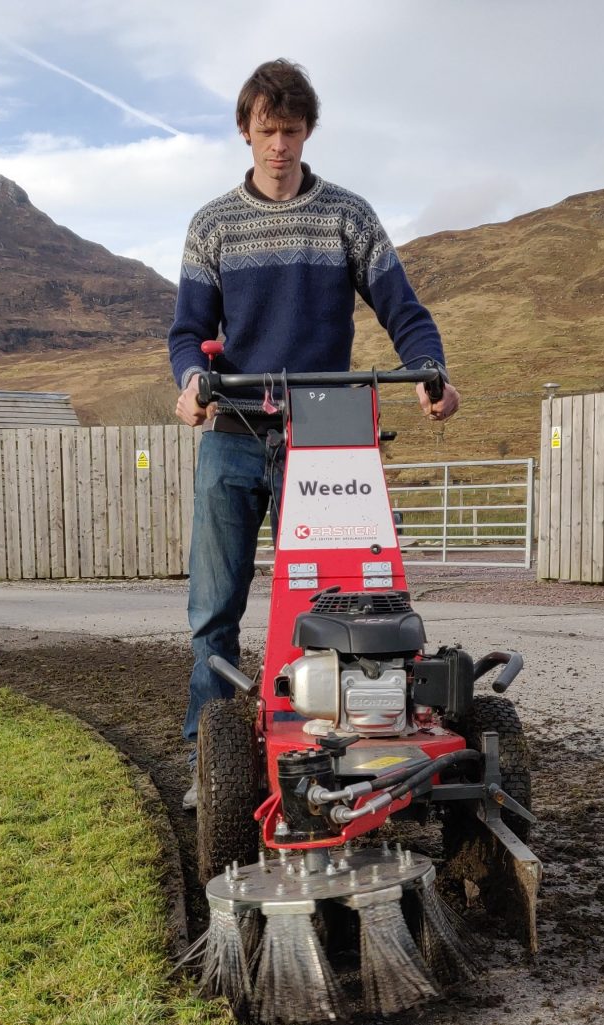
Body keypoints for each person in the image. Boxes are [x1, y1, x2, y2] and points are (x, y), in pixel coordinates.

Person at [168, 58, 460, 807]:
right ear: (245, 131)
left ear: (308, 132)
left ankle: (346, 734)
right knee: (215, 605)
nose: (279, 146)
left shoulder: (346, 217)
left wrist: (428, 367)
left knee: (337, 599)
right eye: (266, 131)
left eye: (291, 131)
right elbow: (188, 332)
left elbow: (404, 308)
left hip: (322, 441)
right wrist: (190, 384)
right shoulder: (213, 226)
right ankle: (212, 757)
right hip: (234, 430)